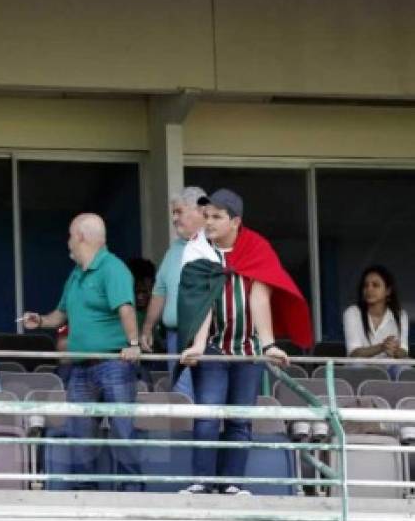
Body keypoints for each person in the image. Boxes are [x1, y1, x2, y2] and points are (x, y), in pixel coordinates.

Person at [177, 189, 311, 495]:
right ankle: (201, 482)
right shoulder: (197, 249)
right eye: (206, 216)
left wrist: (268, 345)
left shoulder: (256, 247)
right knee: (208, 415)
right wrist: (198, 346)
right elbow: (202, 303)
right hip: (211, 346)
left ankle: (233, 485)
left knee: (239, 418)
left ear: (235, 221)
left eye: (216, 217)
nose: (208, 222)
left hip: (247, 348)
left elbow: (260, 297)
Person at [22, 213, 142, 492]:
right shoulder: (76, 273)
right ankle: (85, 495)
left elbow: (126, 308)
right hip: (79, 368)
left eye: (69, 235)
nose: (67, 242)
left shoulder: (113, 268)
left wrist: (134, 344)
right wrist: (40, 320)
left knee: (123, 432)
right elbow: (60, 315)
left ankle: (132, 494)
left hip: (114, 364)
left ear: (81, 237)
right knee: (80, 435)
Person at [140, 186, 207, 398]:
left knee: (209, 399)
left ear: (199, 211)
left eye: (179, 212)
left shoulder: (216, 246)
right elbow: (160, 292)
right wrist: (148, 329)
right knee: (182, 397)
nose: (174, 218)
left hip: (210, 339)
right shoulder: (174, 250)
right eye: (174, 213)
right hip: (175, 338)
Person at [343, 265, 408, 363]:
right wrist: (382, 347)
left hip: (389, 368)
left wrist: (395, 351)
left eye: (375, 285)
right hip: (360, 371)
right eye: (366, 285)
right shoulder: (352, 313)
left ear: (388, 291)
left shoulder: (400, 315)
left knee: (403, 369)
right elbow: (354, 353)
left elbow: (404, 351)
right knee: (357, 366)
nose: (369, 289)